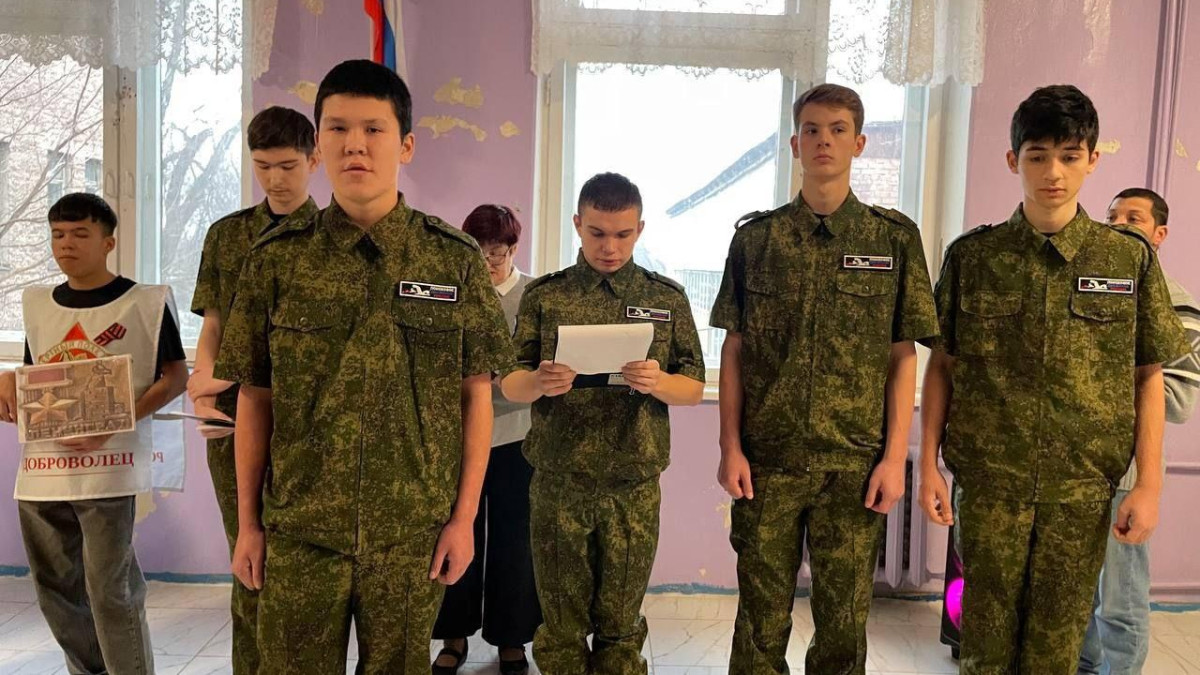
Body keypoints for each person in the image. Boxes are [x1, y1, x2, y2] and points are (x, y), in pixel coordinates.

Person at [213, 59, 514, 674]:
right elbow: (254, 398)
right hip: (300, 532)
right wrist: (247, 525)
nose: (356, 144)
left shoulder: (452, 260)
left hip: (411, 536)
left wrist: (463, 520)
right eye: (338, 128)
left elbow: (477, 396)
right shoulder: (276, 261)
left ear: (406, 145)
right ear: (318, 147)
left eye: (374, 129)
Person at [918, 85, 1188, 674]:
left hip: (1081, 495)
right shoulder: (973, 257)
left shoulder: (1128, 261)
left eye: (1069, 156)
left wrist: (1149, 486)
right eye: (1037, 156)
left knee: (1057, 652)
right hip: (989, 490)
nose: (1053, 173)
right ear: (1013, 160)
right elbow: (943, 364)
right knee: (983, 649)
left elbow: (1148, 375)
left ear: (1092, 160)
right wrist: (928, 464)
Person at [710, 83, 939, 675]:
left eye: (838, 130)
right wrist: (730, 446)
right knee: (759, 624)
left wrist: (895, 459)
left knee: (842, 625)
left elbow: (903, 357)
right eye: (811, 130)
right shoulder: (756, 240)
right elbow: (735, 349)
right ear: (794, 143)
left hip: (854, 465)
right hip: (768, 462)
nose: (823, 141)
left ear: (859, 143)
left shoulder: (893, 239)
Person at [501, 172, 706, 674]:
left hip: (631, 484)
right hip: (559, 483)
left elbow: (693, 388)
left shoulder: (666, 298)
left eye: (622, 234)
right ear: (577, 224)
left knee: (620, 625)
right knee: (561, 625)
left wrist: (658, 381)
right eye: (596, 233)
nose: (609, 247)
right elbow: (510, 382)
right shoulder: (546, 296)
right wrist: (540, 381)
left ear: (640, 229)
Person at [0, 192, 188, 674]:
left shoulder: (144, 304)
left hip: (110, 466)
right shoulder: (38, 304)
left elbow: (175, 377)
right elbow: (39, 375)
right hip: (43, 469)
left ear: (108, 242)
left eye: (80, 234)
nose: (66, 244)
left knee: (110, 590)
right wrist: (9, 385)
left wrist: (116, 420)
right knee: (54, 589)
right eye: (58, 234)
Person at [187, 104, 319, 675]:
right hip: (232, 417)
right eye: (263, 166)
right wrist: (201, 391)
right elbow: (213, 326)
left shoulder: (329, 237)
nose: (275, 179)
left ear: (314, 160)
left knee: (299, 570)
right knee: (246, 557)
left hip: (302, 420)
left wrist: (218, 378)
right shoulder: (228, 235)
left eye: (288, 166)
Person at [1077, 187, 1200, 675]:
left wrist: (1093, 382)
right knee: (1078, 597)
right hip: (1076, 469)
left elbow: (1179, 398)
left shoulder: (1176, 303)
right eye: (1112, 217)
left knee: (1121, 600)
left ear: (1159, 234)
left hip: (1128, 474)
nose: (1119, 225)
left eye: (1133, 218)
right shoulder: (1092, 287)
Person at [433, 204, 542, 675]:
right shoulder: (450, 292)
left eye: (497, 253)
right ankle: (453, 636)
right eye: (479, 253)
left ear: (514, 249)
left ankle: (512, 639)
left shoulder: (535, 295)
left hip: (520, 436)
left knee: (515, 542)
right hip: (460, 437)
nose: (488, 262)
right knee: (456, 532)